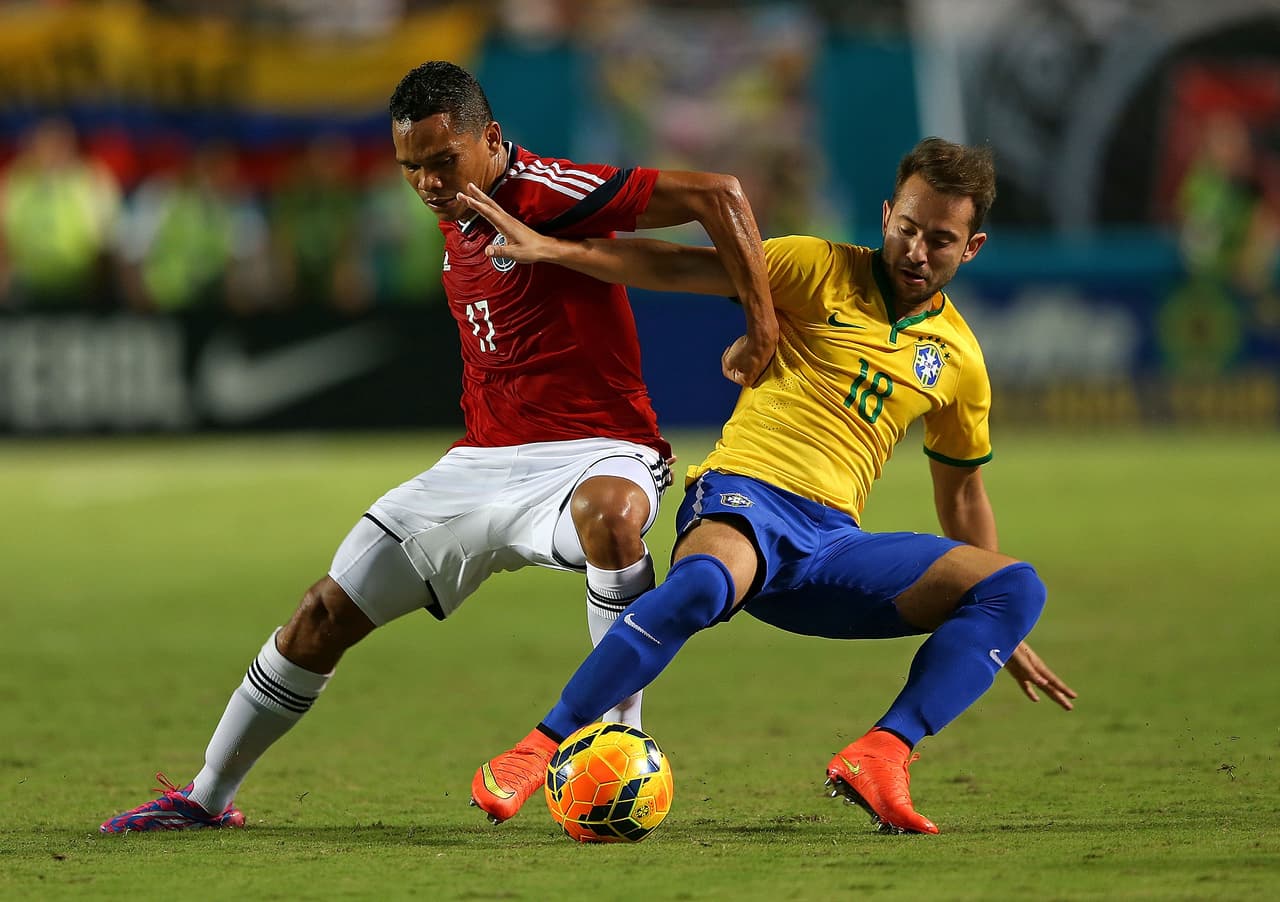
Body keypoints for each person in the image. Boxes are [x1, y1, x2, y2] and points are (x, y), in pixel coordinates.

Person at [99, 60, 777, 832]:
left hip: (596, 449)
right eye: (409, 167)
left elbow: (717, 194)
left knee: (616, 514)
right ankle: (204, 798)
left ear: (490, 139)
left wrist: (761, 325)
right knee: (322, 613)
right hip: (479, 466)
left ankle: (618, 746)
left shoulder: (546, 192)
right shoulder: (457, 211)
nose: (425, 182)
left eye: (441, 161)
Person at [462, 136, 1077, 834]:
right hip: (744, 494)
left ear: (972, 248)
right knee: (698, 585)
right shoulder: (814, 267)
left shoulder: (960, 359)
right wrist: (555, 251)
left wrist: (1000, 623)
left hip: (830, 547)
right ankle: (537, 747)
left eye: (939, 240)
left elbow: (962, 495)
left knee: (1018, 587)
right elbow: (676, 265)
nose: (915, 250)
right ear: (885, 216)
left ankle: (882, 753)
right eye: (906, 229)